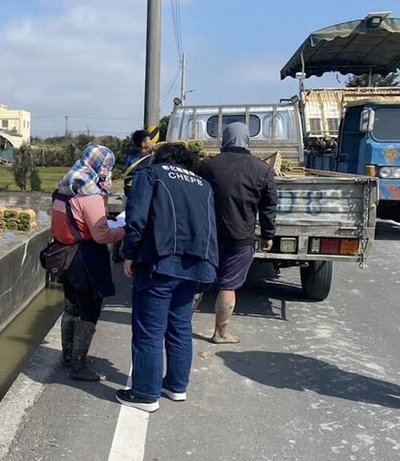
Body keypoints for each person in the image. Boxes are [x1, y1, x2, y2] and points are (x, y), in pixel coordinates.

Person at [116, 143, 218, 413]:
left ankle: (145, 394)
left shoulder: (151, 175)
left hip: (160, 262)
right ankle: (176, 386)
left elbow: (136, 218)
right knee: (180, 326)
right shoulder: (203, 185)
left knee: (149, 331)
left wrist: (129, 254)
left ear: (159, 158)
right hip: (196, 264)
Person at [51, 145, 125, 381]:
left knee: (71, 306)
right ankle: (79, 367)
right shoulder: (89, 191)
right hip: (86, 257)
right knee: (90, 309)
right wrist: (124, 230)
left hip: (64, 254)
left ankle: (68, 356)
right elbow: (101, 235)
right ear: (102, 166)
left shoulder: (66, 185)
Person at [199, 121, 277, 344]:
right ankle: (220, 333)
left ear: (224, 138)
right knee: (228, 285)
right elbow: (268, 206)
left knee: (197, 281)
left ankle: (181, 327)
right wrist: (268, 235)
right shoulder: (262, 169)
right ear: (247, 139)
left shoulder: (209, 166)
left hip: (208, 234)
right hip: (241, 236)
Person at [111, 129, 156, 262]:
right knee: (139, 222)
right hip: (140, 195)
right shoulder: (149, 158)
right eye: (149, 140)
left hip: (128, 193)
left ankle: (116, 251)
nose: (152, 142)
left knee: (126, 221)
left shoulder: (130, 156)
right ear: (143, 143)